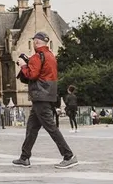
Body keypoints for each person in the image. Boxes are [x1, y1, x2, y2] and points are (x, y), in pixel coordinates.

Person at [12, 32, 78, 169]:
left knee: (51, 127)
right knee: (32, 127)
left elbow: (32, 75)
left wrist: (24, 65)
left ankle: (68, 155)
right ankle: (24, 157)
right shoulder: (50, 56)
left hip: (39, 95)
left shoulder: (37, 56)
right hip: (48, 94)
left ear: (36, 42)